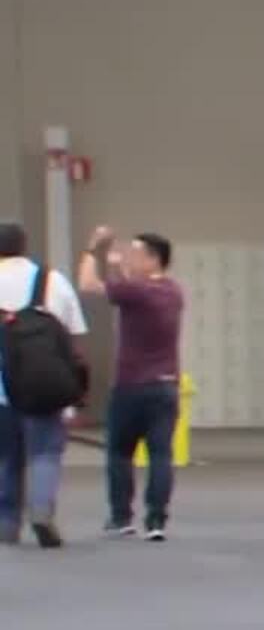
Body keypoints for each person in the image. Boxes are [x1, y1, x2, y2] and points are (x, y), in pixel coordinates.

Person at [77, 225, 186, 539]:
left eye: (136, 254)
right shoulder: (172, 291)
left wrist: (94, 247)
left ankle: (121, 517)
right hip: (166, 385)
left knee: (119, 452)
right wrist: (117, 266)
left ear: (154, 259)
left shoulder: (138, 292)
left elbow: (87, 284)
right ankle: (156, 520)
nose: (130, 258)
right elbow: (126, 288)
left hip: (132, 385)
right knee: (160, 454)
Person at [0, 220, 88, 548]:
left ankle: (6, 523)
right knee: (45, 452)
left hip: (2, 390)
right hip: (42, 384)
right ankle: (41, 511)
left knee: (6, 457)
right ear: (24, 246)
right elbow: (75, 336)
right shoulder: (52, 280)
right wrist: (76, 392)